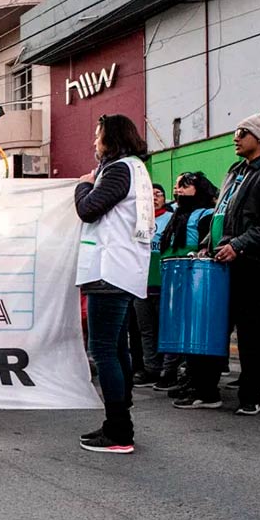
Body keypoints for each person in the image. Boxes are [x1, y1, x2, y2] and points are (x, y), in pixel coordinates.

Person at [174, 114, 260, 415]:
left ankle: (250, 396)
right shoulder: (234, 170)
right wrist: (206, 247)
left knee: (251, 333)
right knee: (212, 328)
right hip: (220, 263)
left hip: (253, 265)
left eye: (242, 132)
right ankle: (206, 390)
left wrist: (238, 246)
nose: (235, 137)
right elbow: (220, 215)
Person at [74, 114, 154, 454]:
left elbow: (89, 210)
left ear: (112, 138)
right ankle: (119, 423)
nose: (94, 143)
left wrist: (83, 185)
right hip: (123, 269)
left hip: (109, 271)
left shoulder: (119, 169)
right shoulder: (135, 169)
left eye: (98, 136)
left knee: (103, 349)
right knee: (116, 346)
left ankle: (119, 430)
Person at [156, 171, 218, 394]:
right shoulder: (178, 214)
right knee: (180, 331)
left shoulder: (206, 214)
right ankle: (188, 379)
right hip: (175, 278)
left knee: (195, 331)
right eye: (177, 186)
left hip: (196, 280)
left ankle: (198, 383)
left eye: (185, 186)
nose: (178, 190)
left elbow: (207, 247)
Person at [131, 183, 172, 387]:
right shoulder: (137, 221)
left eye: (159, 194)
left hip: (165, 285)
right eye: (150, 194)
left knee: (165, 329)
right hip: (142, 285)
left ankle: (168, 369)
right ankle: (151, 369)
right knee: (146, 331)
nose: (155, 197)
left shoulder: (171, 220)